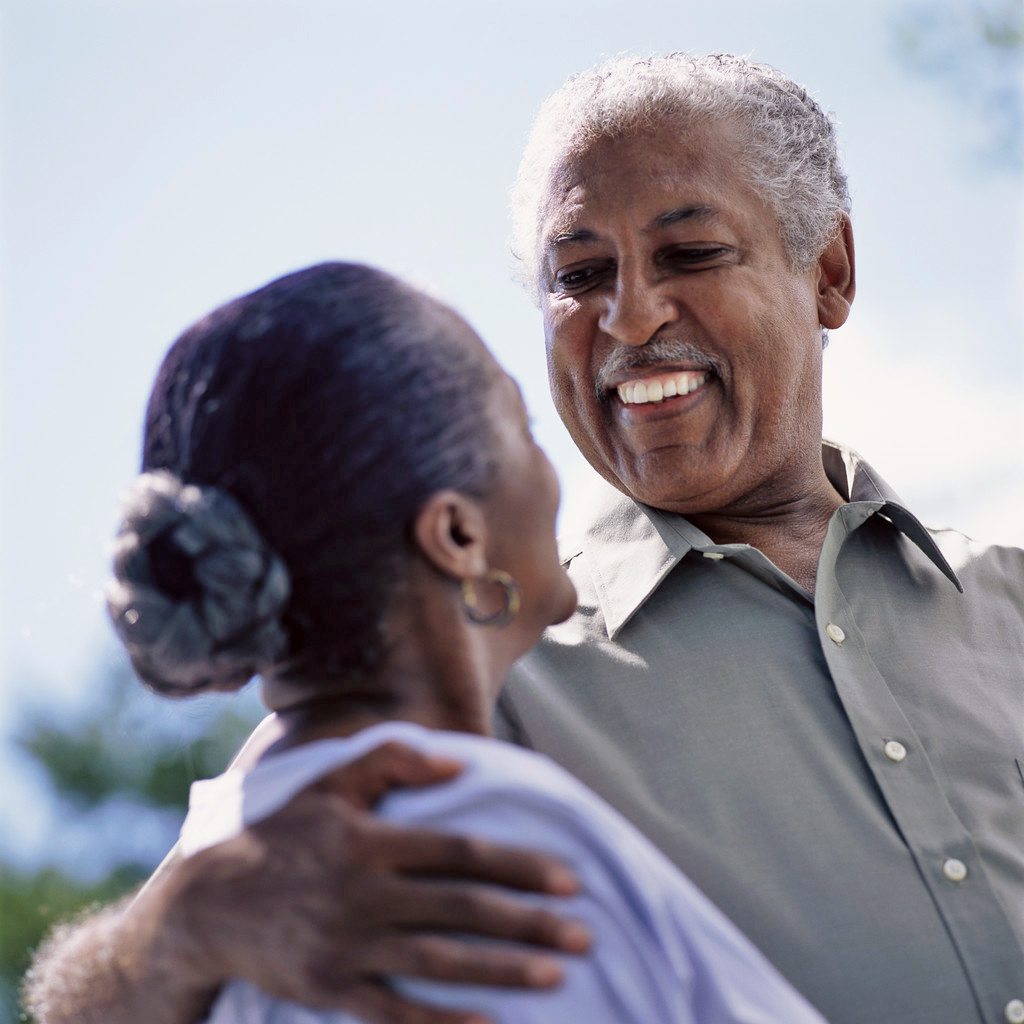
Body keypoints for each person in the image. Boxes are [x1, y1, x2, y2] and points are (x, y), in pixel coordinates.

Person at [24, 53, 1024, 1024]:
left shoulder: (1008, 599)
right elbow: (136, 967)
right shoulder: (477, 682)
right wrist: (177, 930)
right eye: (579, 272)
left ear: (831, 273)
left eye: (688, 253)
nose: (629, 315)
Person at [33, 260, 827, 1024]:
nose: (554, 471)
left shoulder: (233, 853)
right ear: (456, 534)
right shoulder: (476, 849)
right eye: (519, 427)